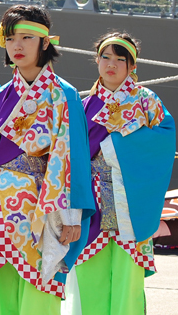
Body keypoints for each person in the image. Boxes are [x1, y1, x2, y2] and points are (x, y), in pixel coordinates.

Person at [0, 5, 95, 315]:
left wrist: (71, 215)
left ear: (45, 42)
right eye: (12, 37)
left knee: (39, 293)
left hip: (43, 211)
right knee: (1, 295)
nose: (17, 45)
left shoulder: (64, 95)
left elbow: (75, 159)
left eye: (27, 37)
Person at [70, 32, 175, 314]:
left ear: (133, 66)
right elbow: (71, 158)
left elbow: (164, 141)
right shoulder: (83, 105)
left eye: (120, 59)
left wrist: (115, 145)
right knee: (91, 279)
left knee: (128, 283)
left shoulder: (146, 101)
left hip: (132, 205)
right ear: (97, 61)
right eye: (105, 57)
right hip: (92, 205)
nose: (111, 64)